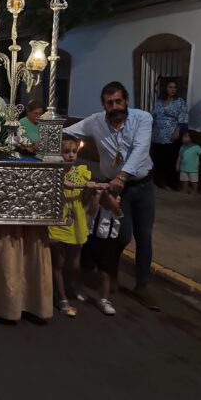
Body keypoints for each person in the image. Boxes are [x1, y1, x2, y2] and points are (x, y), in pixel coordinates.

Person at [64, 81, 160, 311]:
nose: (115, 106)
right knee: (121, 235)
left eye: (118, 101)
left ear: (126, 101)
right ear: (104, 105)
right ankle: (111, 272)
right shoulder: (96, 121)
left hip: (142, 185)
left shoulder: (142, 119)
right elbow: (68, 130)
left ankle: (142, 285)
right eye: (109, 103)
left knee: (144, 235)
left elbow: (140, 149)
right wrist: (39, 132)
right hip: (116, 188)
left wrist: (122, 175)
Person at [48, 135, 98, 317]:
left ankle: (72, 286)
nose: (71, 155)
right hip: (59, 220)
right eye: (66, 152)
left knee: (75, 264)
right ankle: (61, 297)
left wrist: (89, 190)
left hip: (76, 221)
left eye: (74, 152)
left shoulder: (82, 172)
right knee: (59, 262)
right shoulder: (54, 174)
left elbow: (85, 203)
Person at [151, 79, 188, 190]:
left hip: (171, 133)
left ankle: (170, 182)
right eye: (170, 87)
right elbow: (154, 115)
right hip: (157, 134)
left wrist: (178, 131)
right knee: (158, 158)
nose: (173, 89)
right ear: (165, 89)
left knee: (170, 158)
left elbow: (183, 118)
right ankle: (159, 180)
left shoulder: (180, 102)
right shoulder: (159, 101)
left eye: (175, 87)